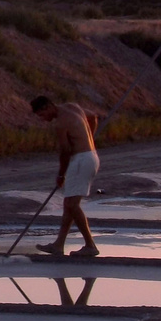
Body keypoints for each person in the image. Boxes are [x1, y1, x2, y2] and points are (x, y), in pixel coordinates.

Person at [30, 95, 101, 257]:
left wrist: (61, 175)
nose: (42, 119)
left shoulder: (60, 124)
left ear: (47, 107)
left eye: (41, 115)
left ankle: (90, 245)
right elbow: (93, 116)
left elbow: (65, 152)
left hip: (81, 160)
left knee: (72, 204)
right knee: (69, 203)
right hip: (90, 156)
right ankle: (58, 245)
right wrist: (88, 137)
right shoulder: (73, 106)